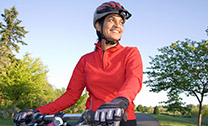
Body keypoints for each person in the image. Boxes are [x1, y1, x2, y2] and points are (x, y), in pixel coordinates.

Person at [14, 1, 143, 126]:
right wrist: (38, 111)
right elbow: (71, 95)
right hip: (91, 120)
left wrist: (120, 101)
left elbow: (134, 80)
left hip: (123, 120)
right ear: (98, 25)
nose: (117, 26)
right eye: (111, 20)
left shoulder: (130, 53)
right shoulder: (85, 60)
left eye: (121, 22)